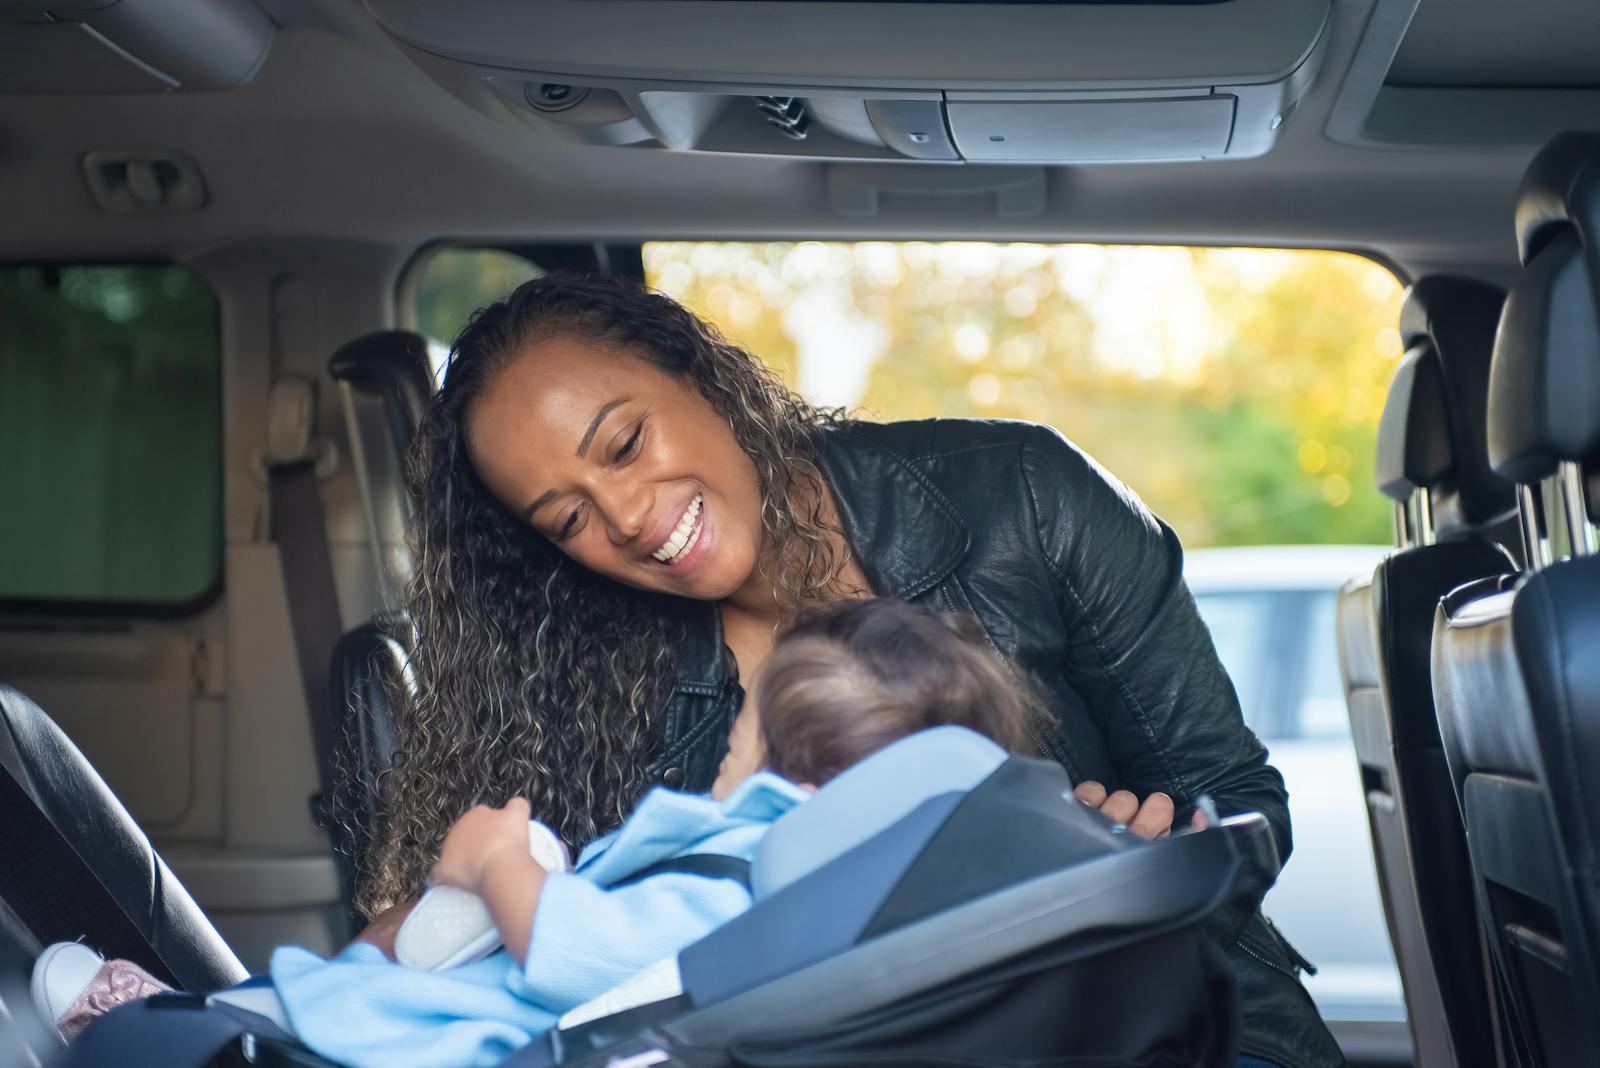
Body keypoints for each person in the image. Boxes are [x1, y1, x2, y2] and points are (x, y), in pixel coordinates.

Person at [354, 271, 1342, 1068]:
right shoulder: (590, 673)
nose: (624, 517)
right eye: (567, 518)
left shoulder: (1026, 499)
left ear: (698, 373)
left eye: (623, 443)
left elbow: (1235, 793)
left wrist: (1141, 847)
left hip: (1159, 1021)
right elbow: (540, 909)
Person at [32, 598, 1043, 1068]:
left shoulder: (754, 880)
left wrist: (495, 863)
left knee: (171, 1042)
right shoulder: (860, 888)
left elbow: (576, 954)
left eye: (744, 724)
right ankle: (219, 1019)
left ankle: (189, 1030)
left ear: (791, 765)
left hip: (499, 1044)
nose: (729, 740)